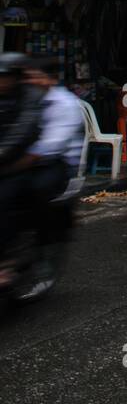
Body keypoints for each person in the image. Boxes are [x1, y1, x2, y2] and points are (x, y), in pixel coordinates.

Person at [0, 56, 83, 294]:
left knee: (37, 191)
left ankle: (44, 254)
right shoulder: (21, 97)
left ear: (51, 79)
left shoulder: (65, 104)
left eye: (37, 76)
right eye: (28, 77)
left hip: (55, 164)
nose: (31, 81)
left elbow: (48, 146)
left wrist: (12, 165)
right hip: (22, 162)